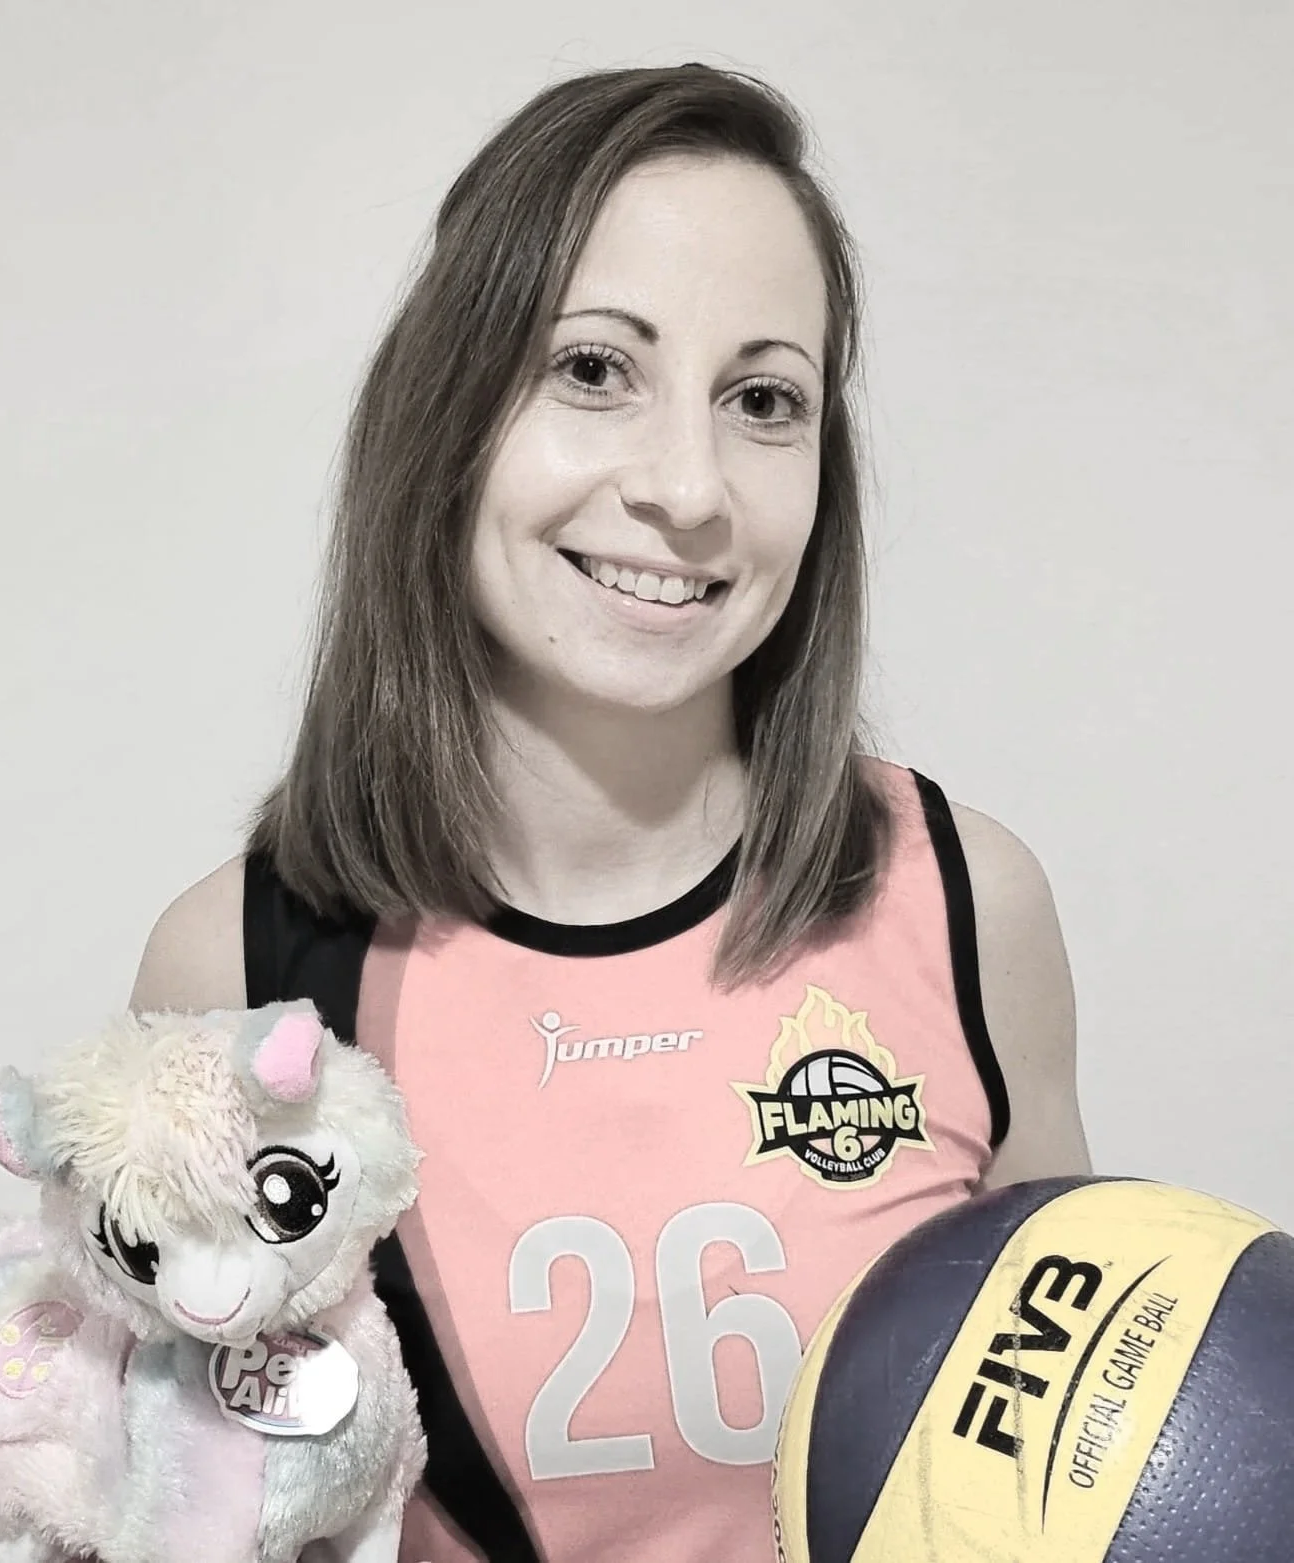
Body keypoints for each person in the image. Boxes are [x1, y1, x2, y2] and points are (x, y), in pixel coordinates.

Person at [129, 62, 1089, 1563]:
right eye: (594, 369)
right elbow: (183, 1507)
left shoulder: (969, 900)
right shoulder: (235, 972)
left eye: (762, 399)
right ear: (449, 413)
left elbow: (1081, 1478)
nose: (688, 488)